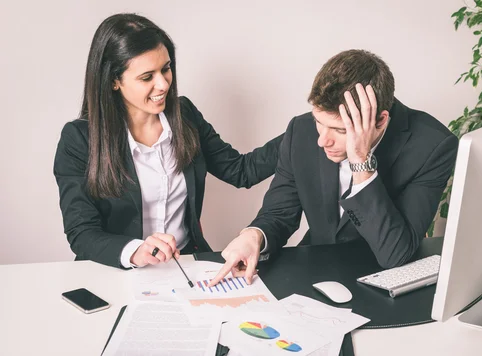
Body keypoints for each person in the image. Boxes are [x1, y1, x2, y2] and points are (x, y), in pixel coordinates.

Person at [210, 49, 459, 285]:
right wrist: (254, 236)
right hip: (316, 271)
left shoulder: (433, 146)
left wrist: (361, 160)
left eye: (340, 130)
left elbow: (395, 254)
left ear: (381, 120)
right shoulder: (301, 131)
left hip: (384, 281)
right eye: (319, 122)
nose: (322, 140)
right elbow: (279, 213)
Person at [53, 13, 282, 269]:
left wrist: (305, 129)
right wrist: (135, 251)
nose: (163, 84)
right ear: (114, 81)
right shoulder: (79, 139)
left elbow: (241, 171)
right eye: (147, 77)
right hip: (115, 271)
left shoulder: (185, 115)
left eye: (166, 68)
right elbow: (81, 233)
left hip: (184, 267)